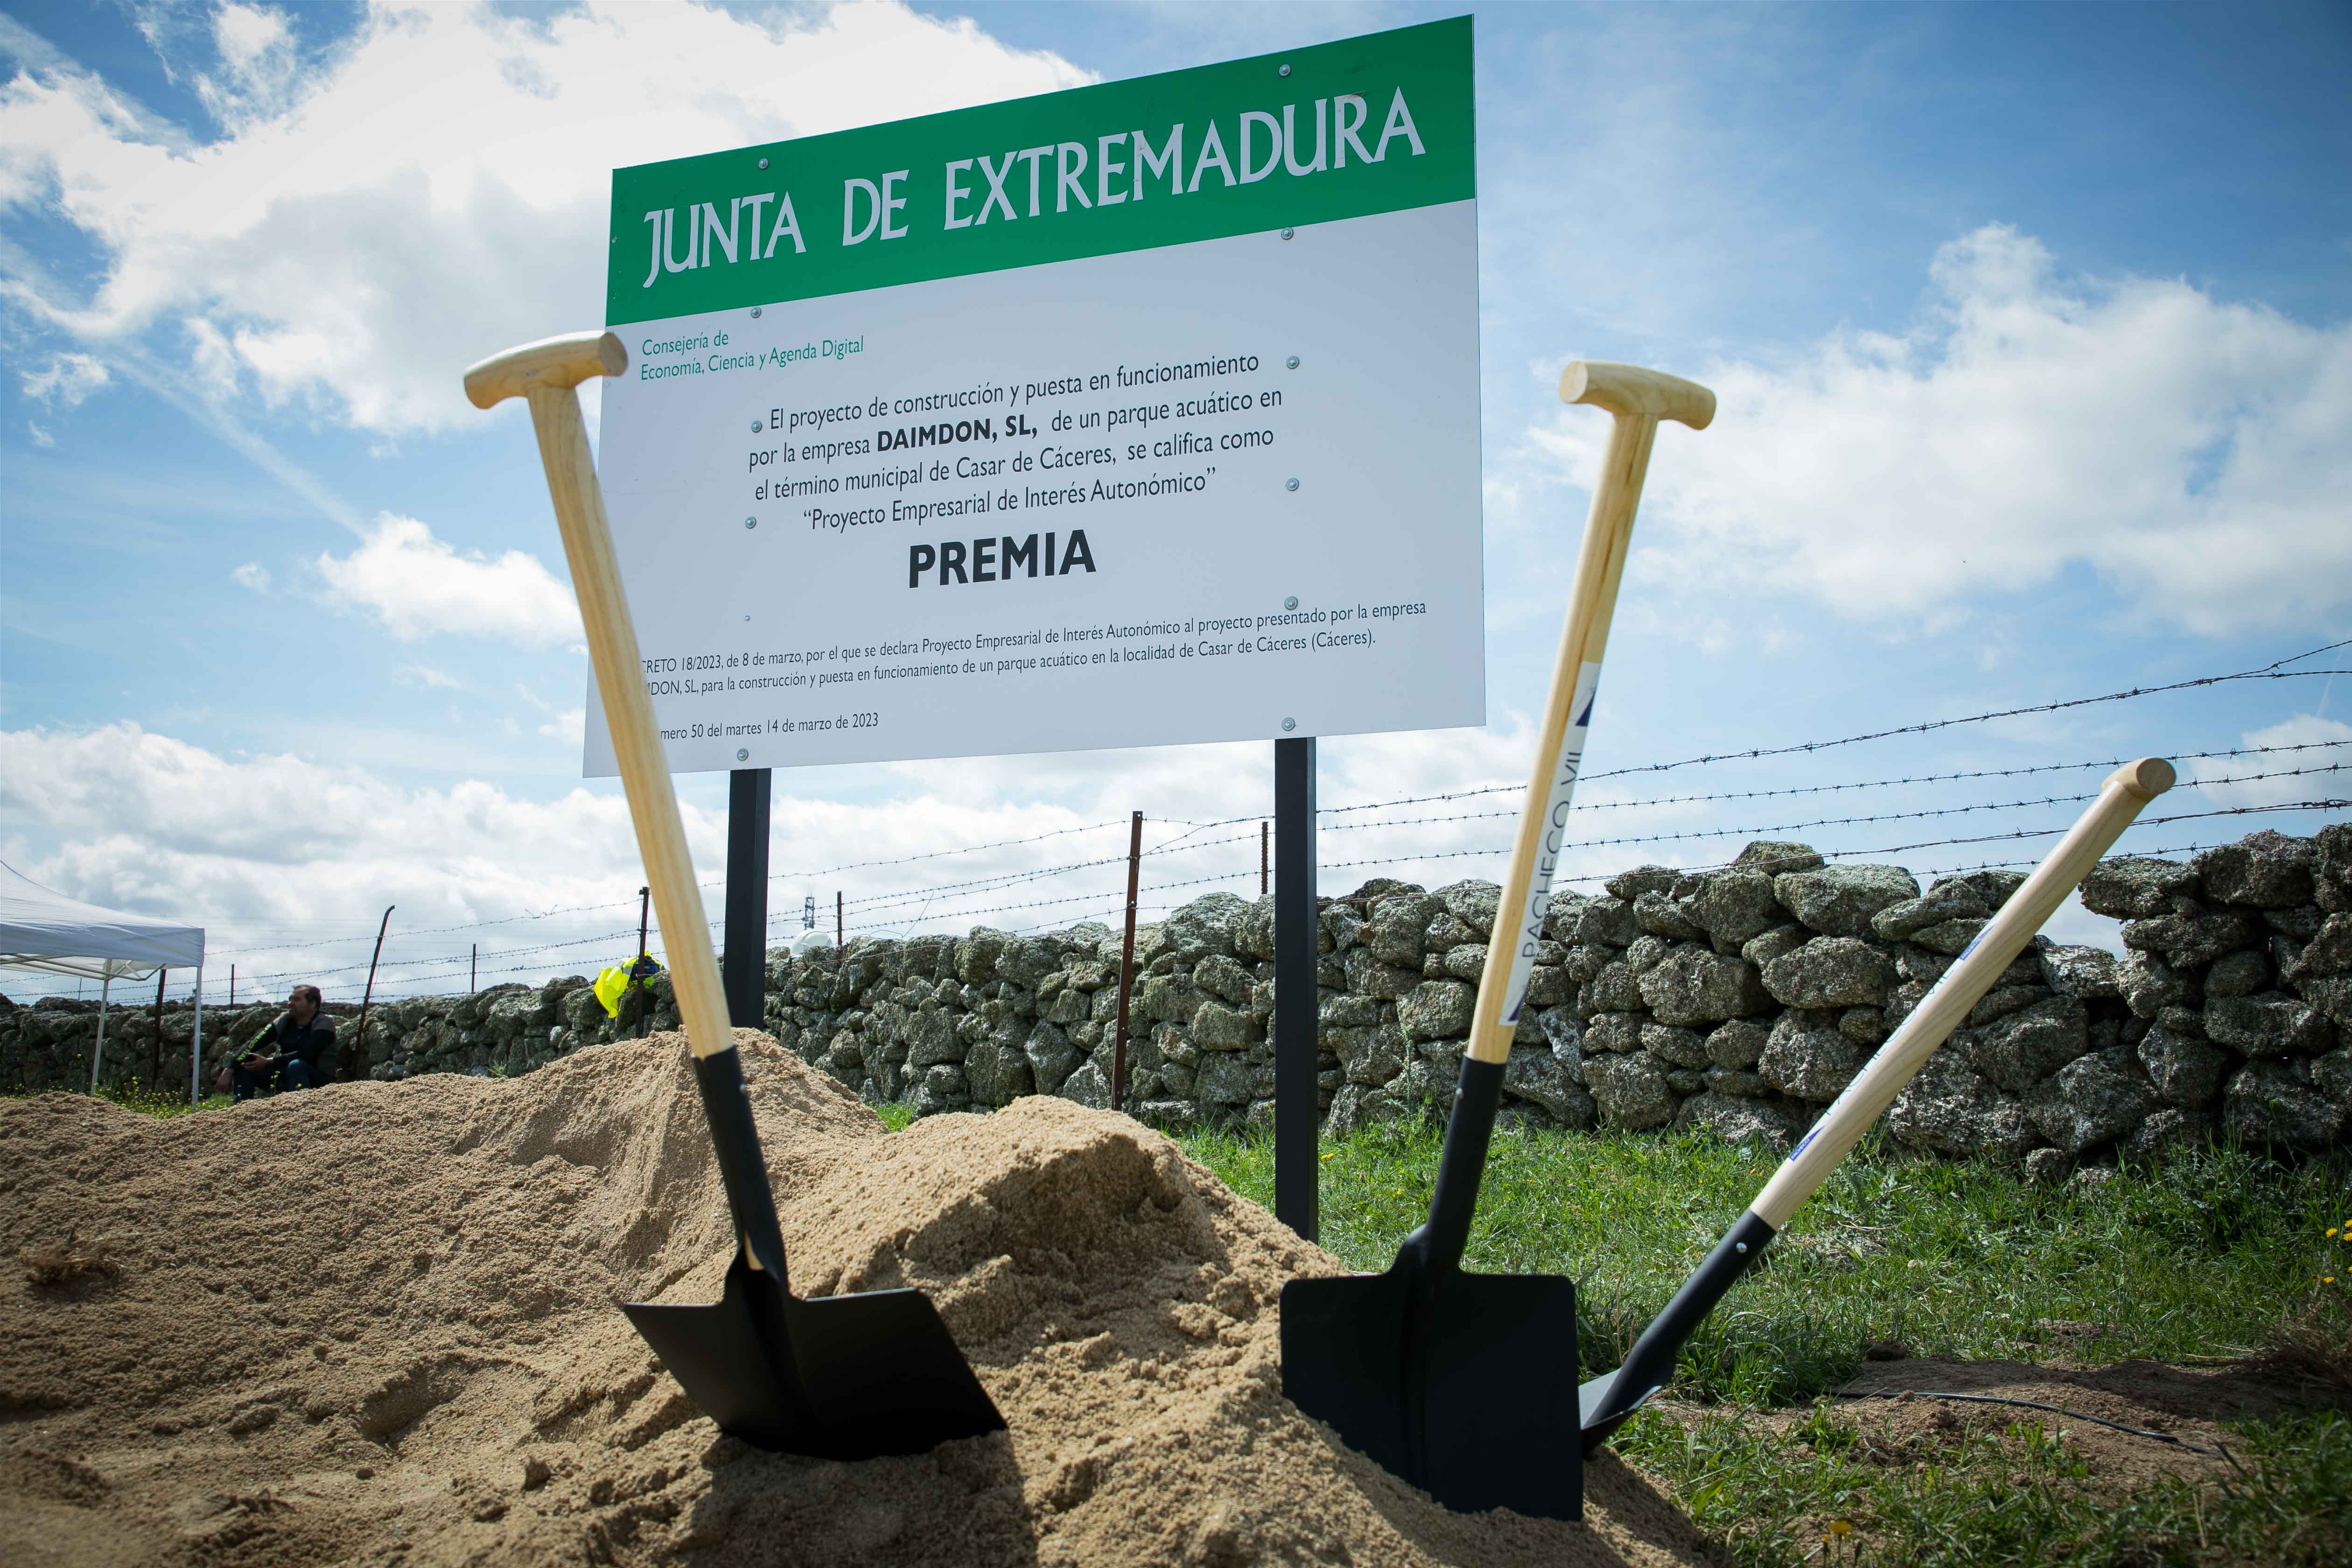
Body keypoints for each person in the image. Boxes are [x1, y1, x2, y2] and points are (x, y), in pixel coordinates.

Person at [230, 985, 338, 1101]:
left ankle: (299, 1111)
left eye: (296, 1000)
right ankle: (242, 1111)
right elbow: (254, 1042)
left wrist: (269, 1062)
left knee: (296, 1065)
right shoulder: (285, 1020)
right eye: (290, 999)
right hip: (285, 1074)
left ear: (313, 1004)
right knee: (245, 1065)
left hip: (317, 1079)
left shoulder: (324, 1022)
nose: (290, 1003)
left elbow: (308, 1053)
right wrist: (231, 1067)